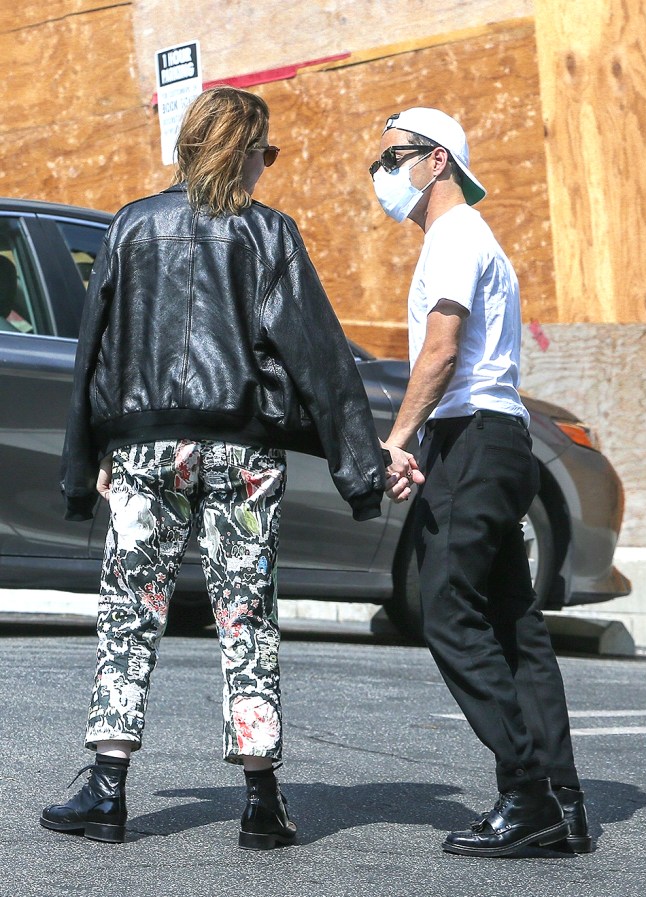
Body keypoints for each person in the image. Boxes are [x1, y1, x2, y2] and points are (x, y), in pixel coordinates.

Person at [40, 86, 392, 849]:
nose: (267, 170)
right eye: (264, 155)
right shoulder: (270, 237)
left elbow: (92, 355)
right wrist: (360, 474)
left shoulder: (133, 226)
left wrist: (86, 461)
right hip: (241, 451)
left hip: (144, 449)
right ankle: (262, 800)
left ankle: (107, 790)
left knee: (127, 614)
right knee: (246, 615)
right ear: (245, 154)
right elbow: (323, 362)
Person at [373, 108, 592, 857]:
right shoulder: (467, 238)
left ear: (436, 160)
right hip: (497, 440)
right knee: (513, 620)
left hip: (474, 436)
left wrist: (396, 440)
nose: (385, 169)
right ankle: (562, 798)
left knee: (446, 612)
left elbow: (441, 350)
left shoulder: (457, 235)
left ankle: (527, 792)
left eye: (394, 155)